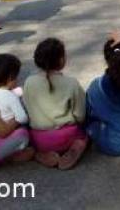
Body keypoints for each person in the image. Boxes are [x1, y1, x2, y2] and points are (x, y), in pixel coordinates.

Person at [23, 38, 88, 170]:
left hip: (39, 139)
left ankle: (39, 153)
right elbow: (80, 116)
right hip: (68, 137)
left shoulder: (29, 82)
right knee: (85, 135)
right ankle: (76, 147)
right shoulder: (72, 83)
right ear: (61, 60)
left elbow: (27, 109)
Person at [0, 54, 28, 126]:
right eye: (16, 77)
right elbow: (22, 118)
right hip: (13, 128)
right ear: (10, 78)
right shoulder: (11, 96)